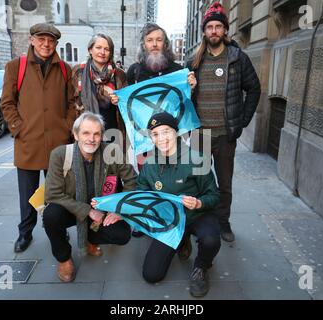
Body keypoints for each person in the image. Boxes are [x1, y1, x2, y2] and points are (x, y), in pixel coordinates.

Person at [187, 2, 261, 243]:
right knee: (199, 181)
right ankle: (200, 222)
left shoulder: (238, 58)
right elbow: (182, 97)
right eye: (210, 27)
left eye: (219, 26)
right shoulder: (194, 62)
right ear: (205, 31)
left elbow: (254, 89)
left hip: (225, 136)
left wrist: (242, 122)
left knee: (224, 184)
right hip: (200, 135)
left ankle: (223, 221)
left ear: (225, 30)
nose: (214, 31)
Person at [1, 23, 77, 253]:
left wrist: (66, 127)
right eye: (41, 39)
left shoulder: (64, 69)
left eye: (51, 41)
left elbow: (72, 103)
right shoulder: (16, 67)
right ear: (32, 40)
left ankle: (58, 228)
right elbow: (7, 102)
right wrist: (19, 128)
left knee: (56, 193)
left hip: (57, 143)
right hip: (28, 142)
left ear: (55, 44)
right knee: (28, 194)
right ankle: (25, 233)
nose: (46, 44)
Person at [121, 23, 197, 237]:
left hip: (172, 138)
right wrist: (120, 98)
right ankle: (145, 219)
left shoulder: (178, 71)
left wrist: (190, 85)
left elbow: (185, 103)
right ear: (144, 44)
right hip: (145, 138)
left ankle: (173, 218)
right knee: (145, 178)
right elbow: (130, 104)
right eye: (149, 40)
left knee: (172, 177)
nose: (154, 44)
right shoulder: (134, 71)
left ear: (165, 43)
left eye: (159, 39)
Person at [43, 112, 136, 282]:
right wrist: (88, 211)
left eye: (96, 134)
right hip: (72, 208)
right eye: (86, 133)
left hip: (103, 208)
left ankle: (90, 238)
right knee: (51, 216)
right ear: (76, 134)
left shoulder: (111, 151)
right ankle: (64, 258)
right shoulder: (60, 154)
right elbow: (52, 193)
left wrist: (119, 209)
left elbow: (132, 181)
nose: (91, 139)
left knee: (122, 235)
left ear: (102, 136)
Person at [136, 112, 220, 298]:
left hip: (197, 215)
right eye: (155, 134)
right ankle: (181, 240)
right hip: (170, 221)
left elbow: (214, 195)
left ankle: (201, 267)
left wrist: (199, 203)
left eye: (166, 132)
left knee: (211, 240)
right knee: (151, 274)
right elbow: (141, 194)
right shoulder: (149, 164)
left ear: (176, 133)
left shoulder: (197, 159)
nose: (161, 138)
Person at [72, 34, 127, 133]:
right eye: (98, 48)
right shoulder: (78, 71)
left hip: (113, 129)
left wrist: (120, 100)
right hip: (86, 130)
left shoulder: (120, 74)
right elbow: (71, 100)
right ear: (90, 50)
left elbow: (127, 104)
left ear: (111, 53)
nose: (102, 52)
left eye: (107, 49)